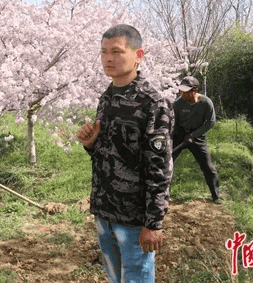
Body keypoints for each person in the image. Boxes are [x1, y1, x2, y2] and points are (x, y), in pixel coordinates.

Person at [76, 24, 174, 283]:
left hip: (133, 218)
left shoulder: (153, 103)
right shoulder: (106, 99)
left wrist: (153, 223)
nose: (108, 58)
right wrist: (91, 144)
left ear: (138, 55)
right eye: (104, 52)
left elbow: (160, 167)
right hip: (105, 212)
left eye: (117, 51)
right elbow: (108, 155)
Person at [173, 76, 221, 204]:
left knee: (207, 166)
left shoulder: (206, 102)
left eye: (186, 91)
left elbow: (210, 122)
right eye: (181, 91)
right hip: (180, 134)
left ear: (194, 90)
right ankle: (162, 195)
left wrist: (193, 135)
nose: (182, 94)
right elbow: (173, 122)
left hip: (197, 135)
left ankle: (216, 195)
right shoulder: (178, 103)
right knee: (167, 163)